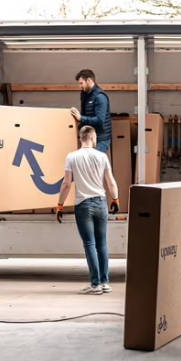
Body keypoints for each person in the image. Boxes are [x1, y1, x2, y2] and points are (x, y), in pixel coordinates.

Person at [57, 126, 120, 295]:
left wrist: (60, 204)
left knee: (90, 244)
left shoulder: (71, 157)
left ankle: (95, 284)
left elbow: (66, 184)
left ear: (80, 138)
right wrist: (115, 198)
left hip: (83, 205)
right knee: (102, 243)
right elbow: (110, 181)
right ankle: (105, 282)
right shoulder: (102, 156)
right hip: (101, 203)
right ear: (93, 137)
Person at [70, 69, 112, 153]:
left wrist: (81, 118)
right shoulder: (85, 94)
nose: (80, 86)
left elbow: (100, 120)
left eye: (81, 83)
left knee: (94, 164)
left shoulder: (100, 97)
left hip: (100, 139)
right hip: (89, 137)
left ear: (89, 80)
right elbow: (86, 113)